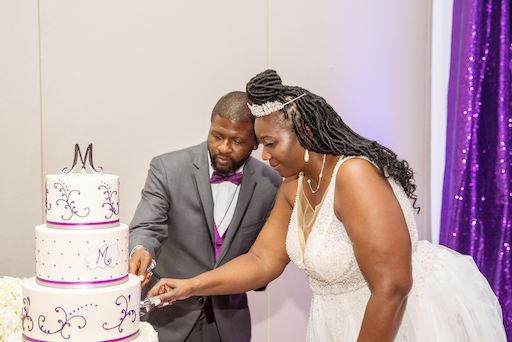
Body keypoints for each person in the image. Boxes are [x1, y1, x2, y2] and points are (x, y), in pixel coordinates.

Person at [147, 70, 507, 341]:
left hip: (395, 321)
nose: (264, 155)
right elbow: (262, 261)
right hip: (336, 323)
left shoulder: (354, 176)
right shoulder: (294, 186)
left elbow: (393, 285)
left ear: (303, 131)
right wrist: (192, 285)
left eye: (270, 143)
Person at [129, 91, 282, 342]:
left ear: (256, 143)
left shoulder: (272, 184)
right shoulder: (167, 168)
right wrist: (140, 249)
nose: (223, 147)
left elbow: (263, 260)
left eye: (236, 141)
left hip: (229, 325)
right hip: (168, 319)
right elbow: (147, 226)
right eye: (217, 136)